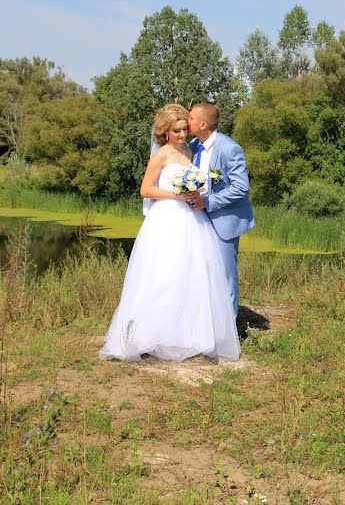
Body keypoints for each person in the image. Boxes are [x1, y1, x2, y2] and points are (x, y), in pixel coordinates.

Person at [98, 104, 240, 362]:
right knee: (164, 274)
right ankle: (151, 336)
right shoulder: (161, 155)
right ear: (165, 132)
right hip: (166, 220)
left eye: (185, 129)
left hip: (194, 220)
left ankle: (189, 335)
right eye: (177, 131)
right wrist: (175, 194)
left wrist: (196, 194)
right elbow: (146, 190)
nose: (183, 135)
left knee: (192, 275)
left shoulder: (190, 151)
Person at [187, 102, 256, 318]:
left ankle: (228, 335)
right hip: (197, 218)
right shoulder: (193, 144)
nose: (186, 121)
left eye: (190, 118)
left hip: (223, 220)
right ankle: (206, 325)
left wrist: (208, 202)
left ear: (203, 123)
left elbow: (241, 187)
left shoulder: (229, 148)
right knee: (201, 273)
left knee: (225, 276)